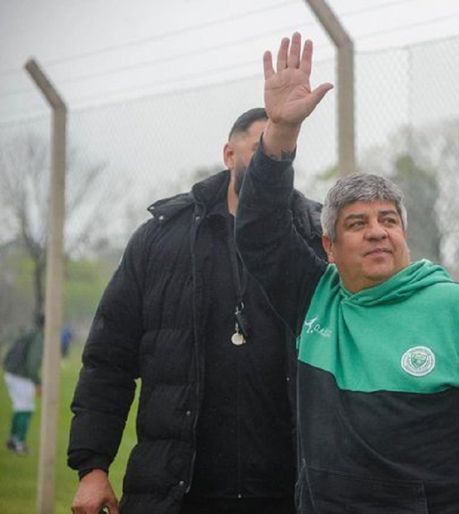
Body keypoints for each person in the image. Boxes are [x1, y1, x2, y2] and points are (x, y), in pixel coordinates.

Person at [236, 32, 459, 513]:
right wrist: (281, 132)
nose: (377, 233)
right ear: (329, 247)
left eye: (388, 220)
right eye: (357, 224)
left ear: (404, 234)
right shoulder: (316, 298)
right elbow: (258, 231)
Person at [68, 107, 324, 514]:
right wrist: (92, 466)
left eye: (281, 149)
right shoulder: (160, 239)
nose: (270, 159)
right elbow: (108, 359)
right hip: (178, 490)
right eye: (260, 147)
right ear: (228, 155)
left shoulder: (317, 237)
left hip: (289, 491)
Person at [3, 320, 43, 455]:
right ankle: (19, 444)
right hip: (20, 376)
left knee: (19, 407)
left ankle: (12, 440)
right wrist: (37, 382)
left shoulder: (29, 332)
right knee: (26, 409)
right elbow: (32, 363)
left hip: (11, 372)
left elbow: (10, 352)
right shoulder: (38, 337)